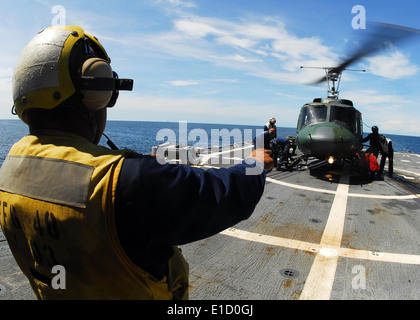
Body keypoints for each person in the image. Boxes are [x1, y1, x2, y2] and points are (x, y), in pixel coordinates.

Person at [0, 26, 274, 300]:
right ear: (97, 92)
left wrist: (142, 167)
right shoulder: (126, 182)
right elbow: (224, 195)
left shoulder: (9, 169)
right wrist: (256, 164)